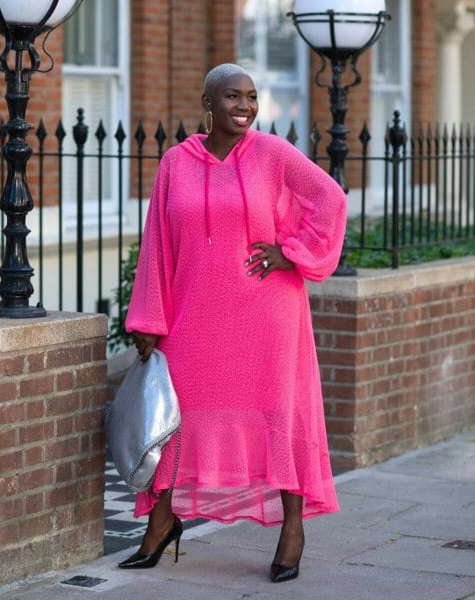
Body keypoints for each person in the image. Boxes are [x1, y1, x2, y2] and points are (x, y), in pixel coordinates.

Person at [119, 63, 347, 583]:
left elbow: (330, 199)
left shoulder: (272, 154)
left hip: (267, 313)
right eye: (231, 97)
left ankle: (293, 528)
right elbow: (157, 242)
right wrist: (149, 318)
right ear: (207, 102)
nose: (243, 107)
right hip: (194, 313)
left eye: (250, 97)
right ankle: (162, 521)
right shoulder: (175, 162)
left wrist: (292, 254)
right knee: (178, 418)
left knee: (278, 415)